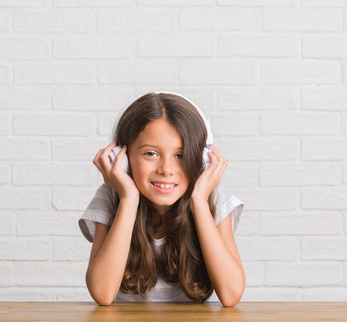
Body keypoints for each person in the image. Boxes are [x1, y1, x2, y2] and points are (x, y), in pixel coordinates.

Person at [78, 92, 245, 307]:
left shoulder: (214, 200)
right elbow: (102, 293)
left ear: (202, 160)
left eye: (180, 155)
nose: (166, 169)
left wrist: (199, 202)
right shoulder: (111, 198)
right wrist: (128, 199)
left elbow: (231, 295)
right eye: (151, 154)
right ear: (123, 159)